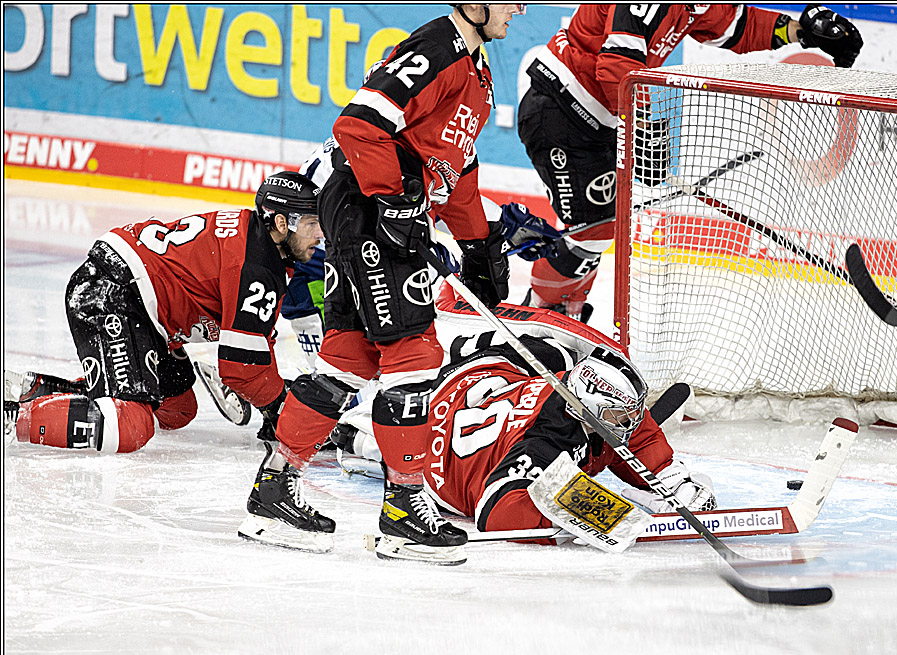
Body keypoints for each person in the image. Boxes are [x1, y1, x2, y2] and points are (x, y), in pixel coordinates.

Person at [239, 4, 529, 562]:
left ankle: (274, 487)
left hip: (368, 210)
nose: (520, 8)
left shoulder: (474, 68)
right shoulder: (437, 48)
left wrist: (477, 244)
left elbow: (456, 170)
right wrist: (395, 201)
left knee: (347, 357)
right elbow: (358, 125)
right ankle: (403, 513)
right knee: (414, 354)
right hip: (370, 208)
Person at [517, 3, 863, 322]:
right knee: (593, 231)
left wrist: (801, 31)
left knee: (599, 226)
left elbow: (736, 26)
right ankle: (539, 315)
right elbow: (615, 65)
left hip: (593, 118)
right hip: (561, 108)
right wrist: (643, 127)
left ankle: (561, 313)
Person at [331, 285, 717, 548]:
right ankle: (355, 434)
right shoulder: (545, 446)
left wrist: (670, 477)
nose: (629, 423)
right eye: (619, 414)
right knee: (393, 447)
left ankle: (364, 427)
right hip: (442, 454)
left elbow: (633, 431)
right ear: (586, 410)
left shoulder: (571, 387)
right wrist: (598, 512)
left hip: (483, 379)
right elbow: (496, 511)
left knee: (552, 354)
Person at [3, 172, 324, 455]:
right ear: (281, 223)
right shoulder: (258, 266)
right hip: (113, 292)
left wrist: (271, 395)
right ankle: (11, 419)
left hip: (141, 305)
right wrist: (281, 404)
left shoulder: (260, 244)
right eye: (311, 224)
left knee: (177, 409)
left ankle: (36, 390)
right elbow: (241, 368)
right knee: (130, 425)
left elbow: (255, 343)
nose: (319, 234)